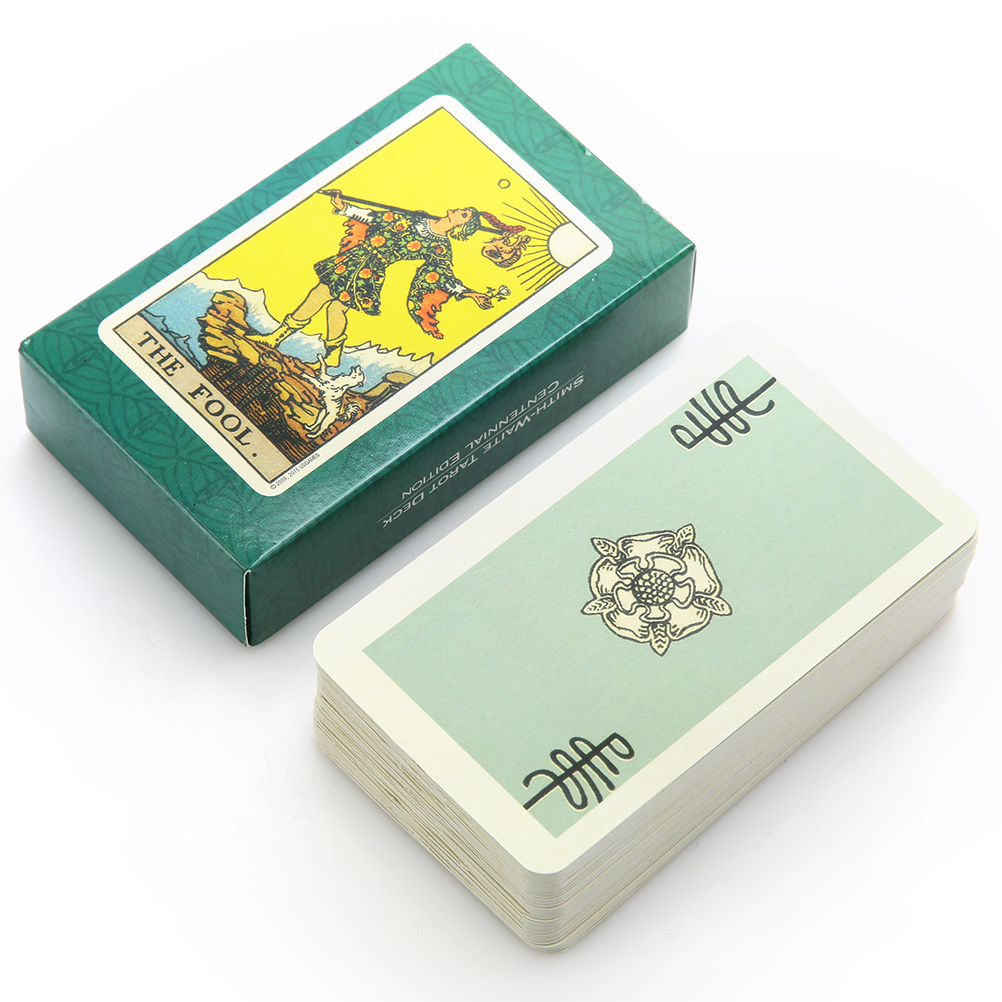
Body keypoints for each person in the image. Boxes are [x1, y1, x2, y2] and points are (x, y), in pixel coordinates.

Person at [252, 189, 494, 369]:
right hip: (356, 258)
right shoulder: (417, 218)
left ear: (462, 226)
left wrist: (469, 293)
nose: (459, 210)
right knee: (334, 307)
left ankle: (279, 338)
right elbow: (375, 217)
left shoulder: (439, 246)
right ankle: (331, 357)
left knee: (324, 298)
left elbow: (443, 275)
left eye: (464, 214)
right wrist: (344, 208)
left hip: (370, 270)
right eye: (463, 209)